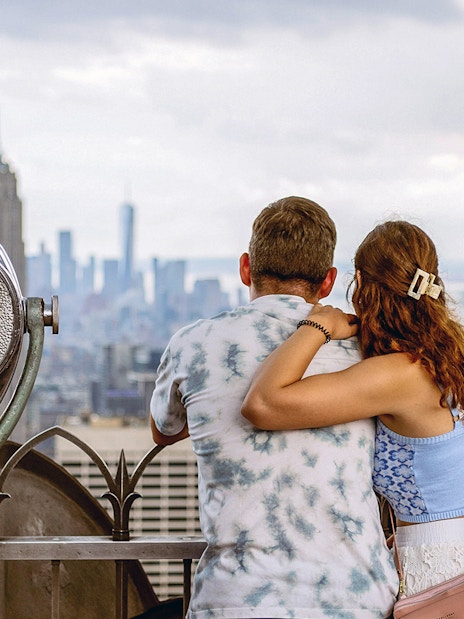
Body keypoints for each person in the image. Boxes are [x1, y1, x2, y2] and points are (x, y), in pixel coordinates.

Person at [150, 197, 398, 618]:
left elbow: (163, 430)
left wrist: (217, 402)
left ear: (246, 267)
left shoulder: (191, 344)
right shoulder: (367, 349)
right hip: (353, 602)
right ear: (327, 282)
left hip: (232, 602)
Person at [242, 219, 464, 599]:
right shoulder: (449, 356)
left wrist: (317, 325)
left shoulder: (400, 374)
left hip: (439, 571)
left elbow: (263, 404)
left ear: (360, 284)